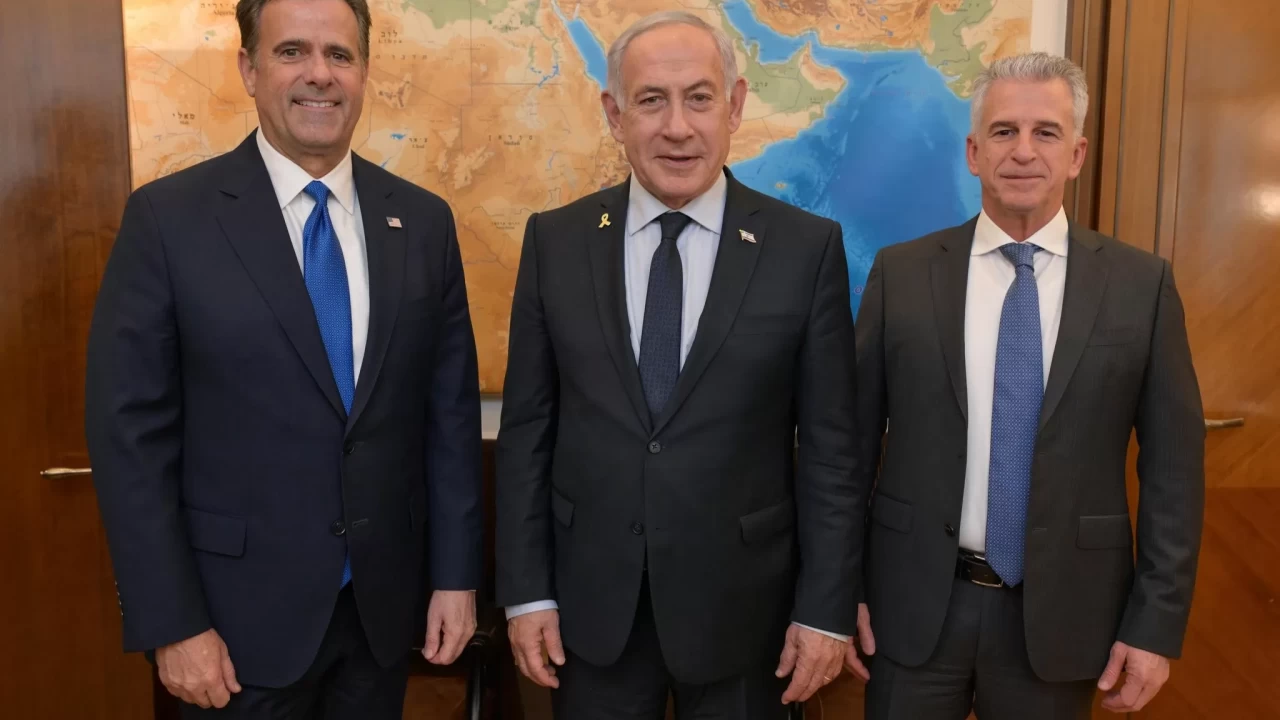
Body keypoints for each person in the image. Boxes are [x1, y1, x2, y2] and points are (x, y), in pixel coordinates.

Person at [84, 0, 483, 716]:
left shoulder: (423, 222)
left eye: (340, 54)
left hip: (382, 620)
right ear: (249, 69)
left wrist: (455, 578)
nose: (319, 74)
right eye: (292, 51)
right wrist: (171, 622)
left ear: (364, 72)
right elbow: (130, 440)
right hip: (231, 632)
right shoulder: (168, 220)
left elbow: (447, 420)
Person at [493, 10, 863, 719]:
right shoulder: (555, 242)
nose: (677, 127)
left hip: (747, 617)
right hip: (591, 615)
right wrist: (526, 594)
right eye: (651, 101)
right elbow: (526, 436)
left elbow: (831, 453)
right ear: (615, 115)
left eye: (699, 98)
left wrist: (825, 611)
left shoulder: (805, 249)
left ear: (735, 106)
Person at [848, 52, 1205, 719]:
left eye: (1046, 132)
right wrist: (843, 591)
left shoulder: (1141, 287)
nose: (1023, 151)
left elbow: (1174, 475)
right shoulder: (903, 276)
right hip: (911, 608)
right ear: (973, 152)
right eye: (1004, 131)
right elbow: (850, 450)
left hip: (1065, 617)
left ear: (1076, 154)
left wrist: (1154, 626)